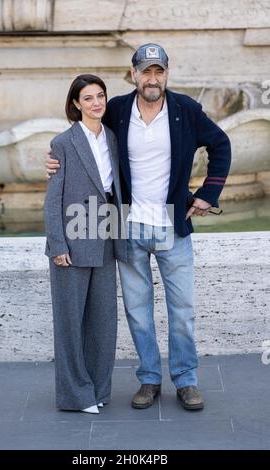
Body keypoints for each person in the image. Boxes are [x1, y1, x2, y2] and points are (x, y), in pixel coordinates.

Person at [46, 44, 231, 411]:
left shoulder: (185, 110)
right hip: (127, 226)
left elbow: (220, 145)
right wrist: (54, 161)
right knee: (137, 311)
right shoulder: (116, 109)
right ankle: (149, 379)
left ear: (166, 74)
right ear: (133, 74)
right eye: (145, 71)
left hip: (171, 227)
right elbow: (86, 141)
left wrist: (208, 195)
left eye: (157, 71)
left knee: (182, 309)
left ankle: (186, 380)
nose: (151, 78)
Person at [44, 74, 126, 414]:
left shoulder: (112, 137)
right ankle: (75, 395)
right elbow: (52, 200)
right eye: (88, 97)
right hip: (73, 237)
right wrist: (57, 244)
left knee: (104, 321)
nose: (96, 102)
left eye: (101, 96)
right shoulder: (63, 142)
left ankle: (98, 389)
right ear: (76, 104)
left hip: (106, 232)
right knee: (70, 322)